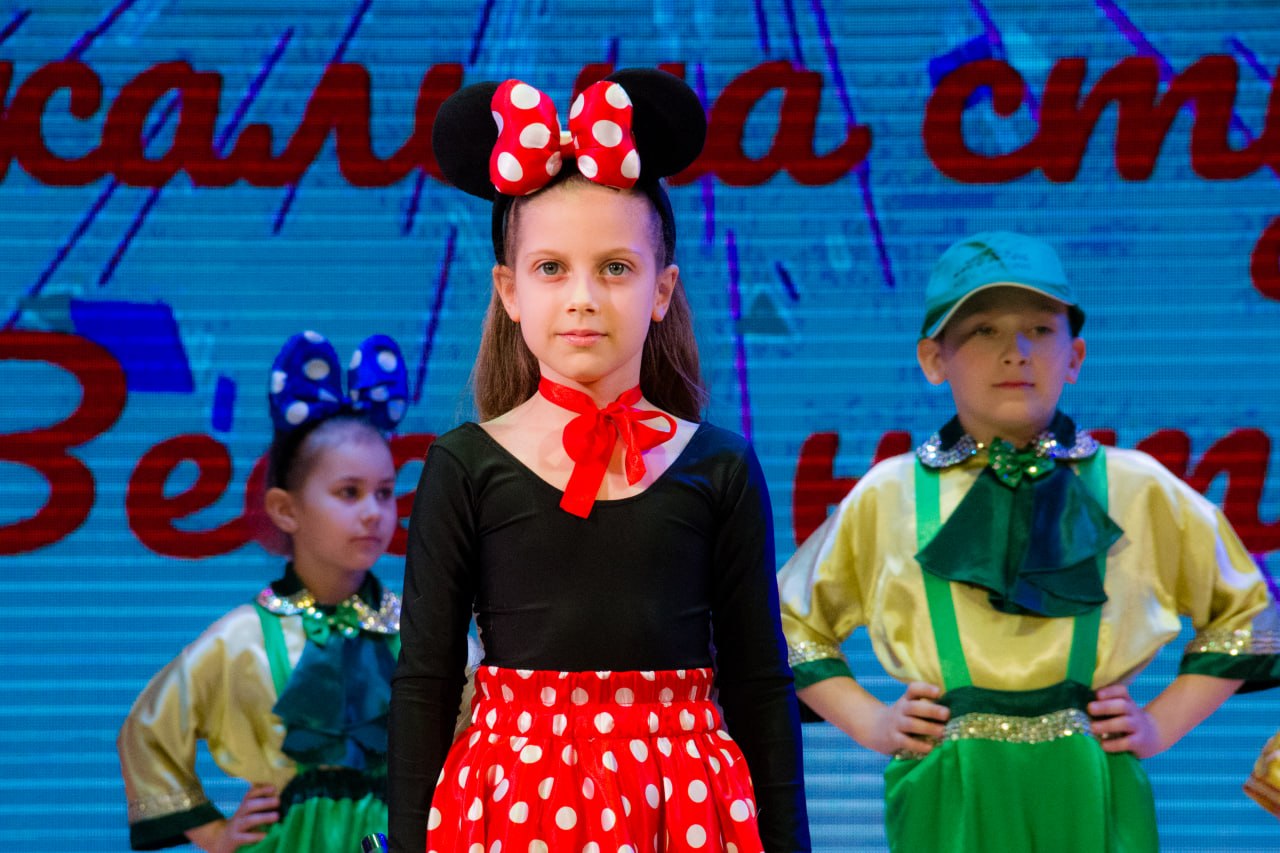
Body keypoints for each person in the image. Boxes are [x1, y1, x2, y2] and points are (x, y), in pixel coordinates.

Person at [388, 69, 810, 853]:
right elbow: (425, 681)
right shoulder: (466, 463)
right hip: (514, 801)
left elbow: (760, 683)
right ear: (509, 291)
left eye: (615, 267)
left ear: (662, 289)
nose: (583, 296)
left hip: (682, 805)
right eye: (551, 268)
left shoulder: (719, 466)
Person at [777, 231, 1280, 852]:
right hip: (949, 783)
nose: (1015, 352)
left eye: (1040, 330)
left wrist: (1160, 724)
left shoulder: (1137, 486)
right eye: (983, 330)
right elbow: (786, 624)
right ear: (934, 359)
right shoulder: (890, 492)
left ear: (1075, 356)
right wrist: (872, 721)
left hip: (1093, 779)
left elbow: (1247, 613)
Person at [119, 331, 421, 850]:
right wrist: (213, 832)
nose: (374, 512)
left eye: (385, 492)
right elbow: (147, 733)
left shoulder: (417, 634)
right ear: (285, 509)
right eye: (349, 492)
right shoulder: (242, 639)